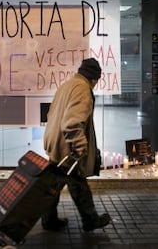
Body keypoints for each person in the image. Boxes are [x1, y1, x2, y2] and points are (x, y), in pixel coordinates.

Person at [41, 57, 111, 232]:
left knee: (54, 184)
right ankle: (90, 220)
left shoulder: (68, 85)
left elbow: (52, 114)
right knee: (78, 182)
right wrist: (80, 146)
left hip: (56, 144)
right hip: (67, 148)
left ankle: (49, 220)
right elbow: (71, 123)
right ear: (94, 78)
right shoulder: (82, 89)